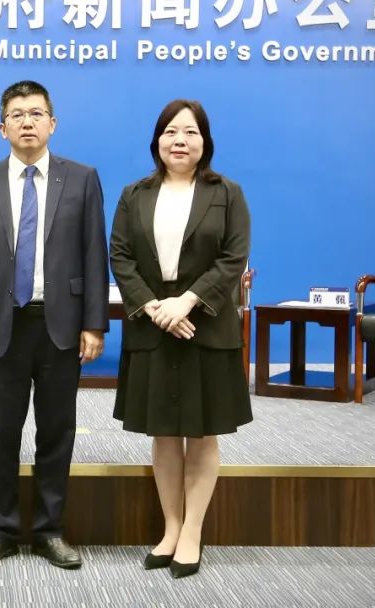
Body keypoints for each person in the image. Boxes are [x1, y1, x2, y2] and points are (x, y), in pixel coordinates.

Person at [0, 80, 109, 570]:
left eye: (36, 113)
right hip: (0, 327)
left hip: (60, 326)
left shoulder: (81, 179)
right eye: (18, 115)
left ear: (52, 124)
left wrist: (94, 323)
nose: (27, 122)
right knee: (0, 434)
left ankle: (50, 530)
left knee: (57, 432)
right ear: (2, 128)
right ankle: (0, 530)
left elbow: (94, 253)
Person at [109, 98, 251, 578]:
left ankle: (193, 532)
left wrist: (187, 302)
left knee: (202, 432)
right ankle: (171, 528)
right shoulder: (134, 194)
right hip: (153, 325)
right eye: (171, 132)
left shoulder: (227, 193)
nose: (180, 141)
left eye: (190, 132)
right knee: (165, 433)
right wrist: (155, 307)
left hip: (205, 325)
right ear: (157, 141)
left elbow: (233, 259)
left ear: (205, 142)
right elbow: (121, 256)